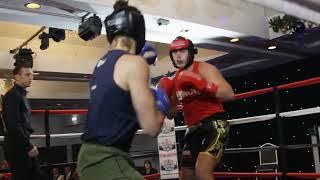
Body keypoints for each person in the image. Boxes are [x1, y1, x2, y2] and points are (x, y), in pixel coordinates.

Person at [76, 1, 170, 180]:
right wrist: (162, 105)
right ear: (139, 30)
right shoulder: (135, 63)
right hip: (106, 158)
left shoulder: (101, 64)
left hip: (89, 158)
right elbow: (151, 127)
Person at [157, 36, 235, 180]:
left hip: (215, 125)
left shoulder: (205, 68)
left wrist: (203, 85)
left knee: (202, 172)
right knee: (187, 175)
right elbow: (171, 113)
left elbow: (229, 94)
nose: (178, 55)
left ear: (191, 53)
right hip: (193, 130)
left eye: (182, 51)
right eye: (175, 52)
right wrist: (163, 100)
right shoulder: (175, 79)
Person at [2, 64, 41, 180]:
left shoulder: (20, 95)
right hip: (18, 147)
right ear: (17, 77)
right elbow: (13, 124)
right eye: (27, 74)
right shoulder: (13, 96)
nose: (31, 77)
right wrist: (28, 146)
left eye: (32, 74)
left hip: (20, 145)